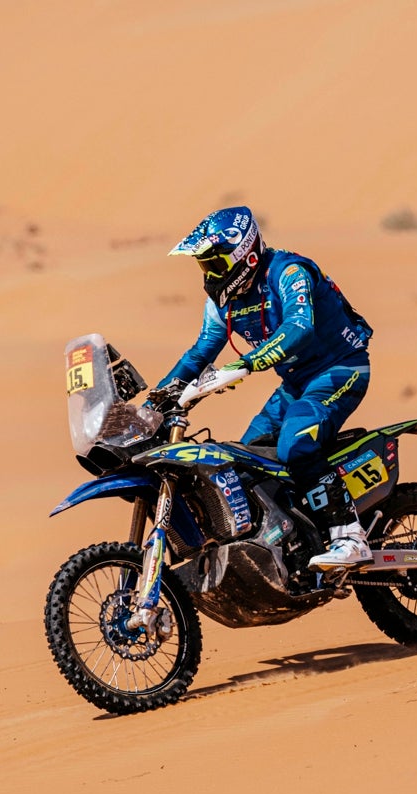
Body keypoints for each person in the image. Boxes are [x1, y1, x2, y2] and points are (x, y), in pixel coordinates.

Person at [157, 206, 374, 570]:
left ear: (246, 255)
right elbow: (200, 352)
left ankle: (349, 535)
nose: (209, 274)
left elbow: (299, 327)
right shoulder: (224, 303)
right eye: (204, 266)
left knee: (297, 445)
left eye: (215, 264)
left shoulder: (289, 272)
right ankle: (295, 541)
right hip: (295, 384)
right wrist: (157, 398)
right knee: (247, 460)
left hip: (339, 370)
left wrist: (244, 364)